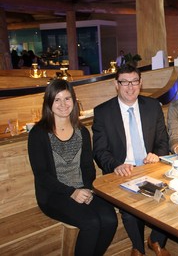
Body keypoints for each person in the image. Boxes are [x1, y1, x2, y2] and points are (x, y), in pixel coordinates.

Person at [28, 79, 117, 256]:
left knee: (109, 219)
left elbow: (87, 166)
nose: (63, 104)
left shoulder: (82, 131)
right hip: (53, 195)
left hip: (82, 189)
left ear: (74, 101)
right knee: (91, 222)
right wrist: (72, 192)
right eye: (57, 100)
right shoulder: (38, 134)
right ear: (49, 103)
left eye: (67, 99)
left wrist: (86, 189)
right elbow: (42, 175)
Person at [92, 64, 170, 256]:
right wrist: (116, 166)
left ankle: (156, 240)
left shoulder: (152, 106)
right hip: (122, 171)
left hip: (150, 167)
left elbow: (162, 141)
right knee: (128, 208)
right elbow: (100, 151)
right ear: (116, 84)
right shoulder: (103, 112)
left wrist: (157, 155)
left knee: (171, 196)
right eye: (124, 82)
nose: (130, 87)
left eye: (134, 81)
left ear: (140, 83)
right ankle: (138, 247)